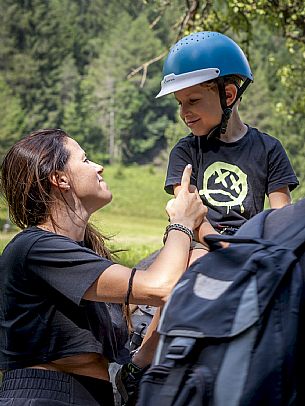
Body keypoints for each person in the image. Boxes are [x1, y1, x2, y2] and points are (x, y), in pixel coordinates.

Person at [0, 128, 206, 406]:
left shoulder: (86, 259)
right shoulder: (35, 248)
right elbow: (161, 286)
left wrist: (133, 369)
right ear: (59, 179)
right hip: (44, 396)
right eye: (85, 160)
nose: (99, 166)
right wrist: (182, 222)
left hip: (92, 396)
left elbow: (166, 294)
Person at [156, 31, 299, 243]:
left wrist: (256, 249)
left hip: (249, 243)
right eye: (180, 103)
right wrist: (224, 246)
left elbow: (282, 217)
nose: (183, 112)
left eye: (193, 100)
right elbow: (191, 215)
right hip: (200, 243)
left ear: (229, 95)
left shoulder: (269, 149)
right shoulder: (185, 152)